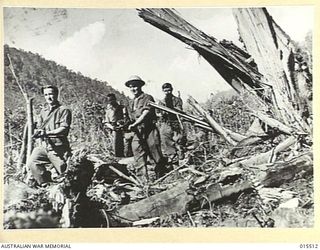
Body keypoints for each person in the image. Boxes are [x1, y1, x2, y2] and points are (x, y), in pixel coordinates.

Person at [27, 85, 72, 187]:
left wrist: (47, 133)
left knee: (65, 173)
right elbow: (40, 128)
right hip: (45, 146)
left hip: (59, 148)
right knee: (33, 161)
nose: (48, 97)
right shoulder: (44, 111)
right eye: (46, 95)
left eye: (51, 94)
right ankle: (45, 184)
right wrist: (38, 133)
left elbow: (64, 129)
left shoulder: (64, 110)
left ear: (56, 94)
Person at [125, 75, 167, 180]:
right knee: (138, 154)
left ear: (140, 86)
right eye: (131, 87)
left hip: (149, 130)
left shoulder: (147, 97)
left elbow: (145, 113)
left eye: (135, 86)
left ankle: (161, 177)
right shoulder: (131, 102)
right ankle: (143, 181)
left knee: (155, 153)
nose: (133, 89)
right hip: (137, 132)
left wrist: (135, 124)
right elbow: (132, 117)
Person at [159, 83, 186, 163]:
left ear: (172, 90)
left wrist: (171, 109)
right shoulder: (161, 102)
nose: (167, 92)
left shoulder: (177, 100)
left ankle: (181, 156)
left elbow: (179, 109)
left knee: (178, 139)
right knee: (165, 139)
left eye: (169, 90)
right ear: (163, 91)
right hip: (166, 123)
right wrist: (163, 112)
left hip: (176, 122)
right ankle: (172, 157)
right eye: (165, 91)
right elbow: (159, 113)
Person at [103, 93, 132, 157]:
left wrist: (124, 124)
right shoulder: (108, 110)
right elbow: (106, 122)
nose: (111, 102)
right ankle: (119, 158)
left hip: (124, 128)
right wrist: (112, 127)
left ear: (115, 99)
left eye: (112, 100)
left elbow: (128, 118)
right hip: (114, 129)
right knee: (116, 145)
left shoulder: (122, 108)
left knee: (127, 145)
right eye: (109, 100)